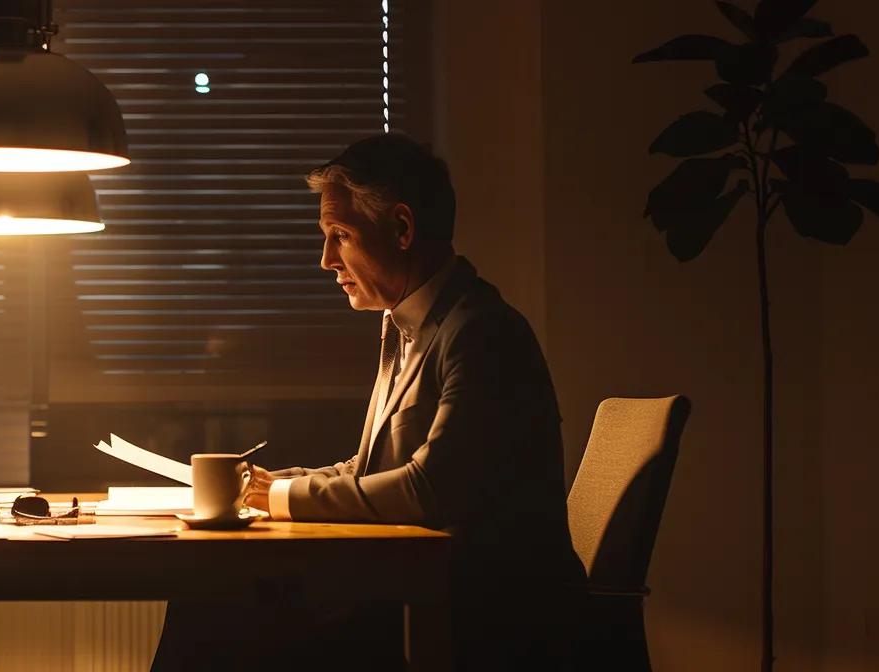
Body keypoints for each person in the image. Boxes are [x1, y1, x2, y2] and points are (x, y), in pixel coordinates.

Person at [152, 134, 585, 671]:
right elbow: (372, 468)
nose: (326, 260)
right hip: (415, 595)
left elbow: (430, 488)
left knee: (209, 609)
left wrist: (282, 497)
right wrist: (265, 484)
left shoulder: (482, 331)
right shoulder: (409, 324)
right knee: (206, 596)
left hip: (481, 618)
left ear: (402, 229)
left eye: (340, 235)